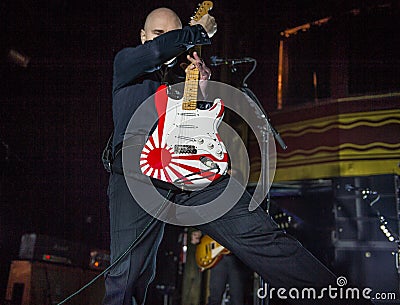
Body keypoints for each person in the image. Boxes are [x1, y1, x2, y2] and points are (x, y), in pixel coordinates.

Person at [104, 6, 369, 305]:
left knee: (264, 236)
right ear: (143, 37)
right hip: (137, 180)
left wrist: (201, 90)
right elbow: (155, 53)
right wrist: (196, 32)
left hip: (191, 178)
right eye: (158, 33)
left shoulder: (185, 77)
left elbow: (197, 133)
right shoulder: (127, 64)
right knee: (128, 278)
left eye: (174, 32)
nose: (167, 39)